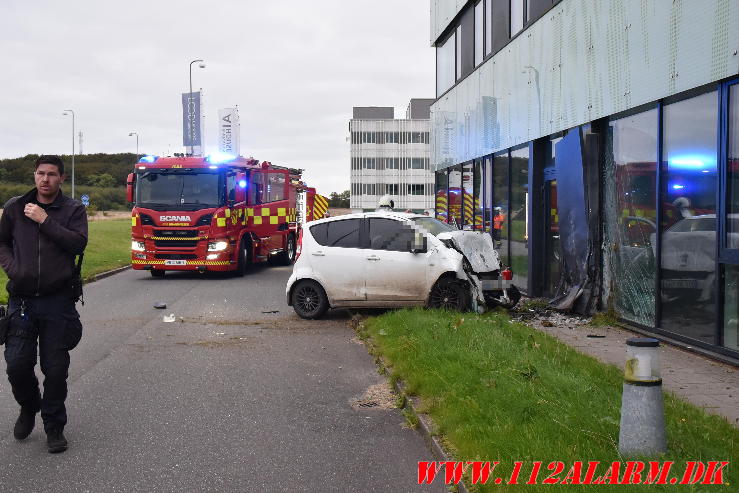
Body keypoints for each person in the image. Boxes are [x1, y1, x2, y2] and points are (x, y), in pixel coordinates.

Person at [0, 155, 87, 453]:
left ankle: (53, 426)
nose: (45, 179)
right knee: (16, 365)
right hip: (22, 301)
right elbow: (1, 242)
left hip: (57, 302)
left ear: (61, 178)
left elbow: (77, 244)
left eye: (51, 174)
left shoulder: (74, 209)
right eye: (40, 173)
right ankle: (29, 406)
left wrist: (45, 220)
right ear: (34, 175)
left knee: (55, 369)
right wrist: (14, 269)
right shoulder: (14, 207)